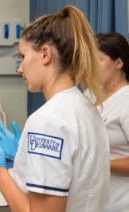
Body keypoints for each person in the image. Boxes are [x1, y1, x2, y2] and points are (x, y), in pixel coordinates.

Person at [0, 5, 110, 212]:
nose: (19, 68)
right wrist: (24, 154)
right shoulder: (86, 107)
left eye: (22, 56)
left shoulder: (48, 120)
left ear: (45, 55)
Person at [84, 32, 129, 212]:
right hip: (90, 201)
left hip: (119, 204)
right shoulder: (89, 94)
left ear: (118, 63)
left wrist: (99, 163)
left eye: (99, 60)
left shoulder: (126, 101)